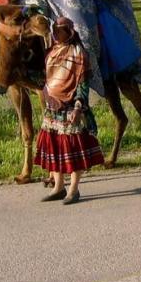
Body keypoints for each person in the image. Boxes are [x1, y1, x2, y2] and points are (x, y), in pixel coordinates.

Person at [35, 17, 104, 204]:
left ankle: (73, 189)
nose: (56, 33)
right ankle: (58, 187)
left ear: (69, 32)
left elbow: (82, 82)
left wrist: (78, 106)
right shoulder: (52, 52)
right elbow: (48, 77)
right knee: (54, 146)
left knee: (72, 147)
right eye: (54, 30)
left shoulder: (78, 53)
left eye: (60, 30)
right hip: (52, 106)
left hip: (71, 107)